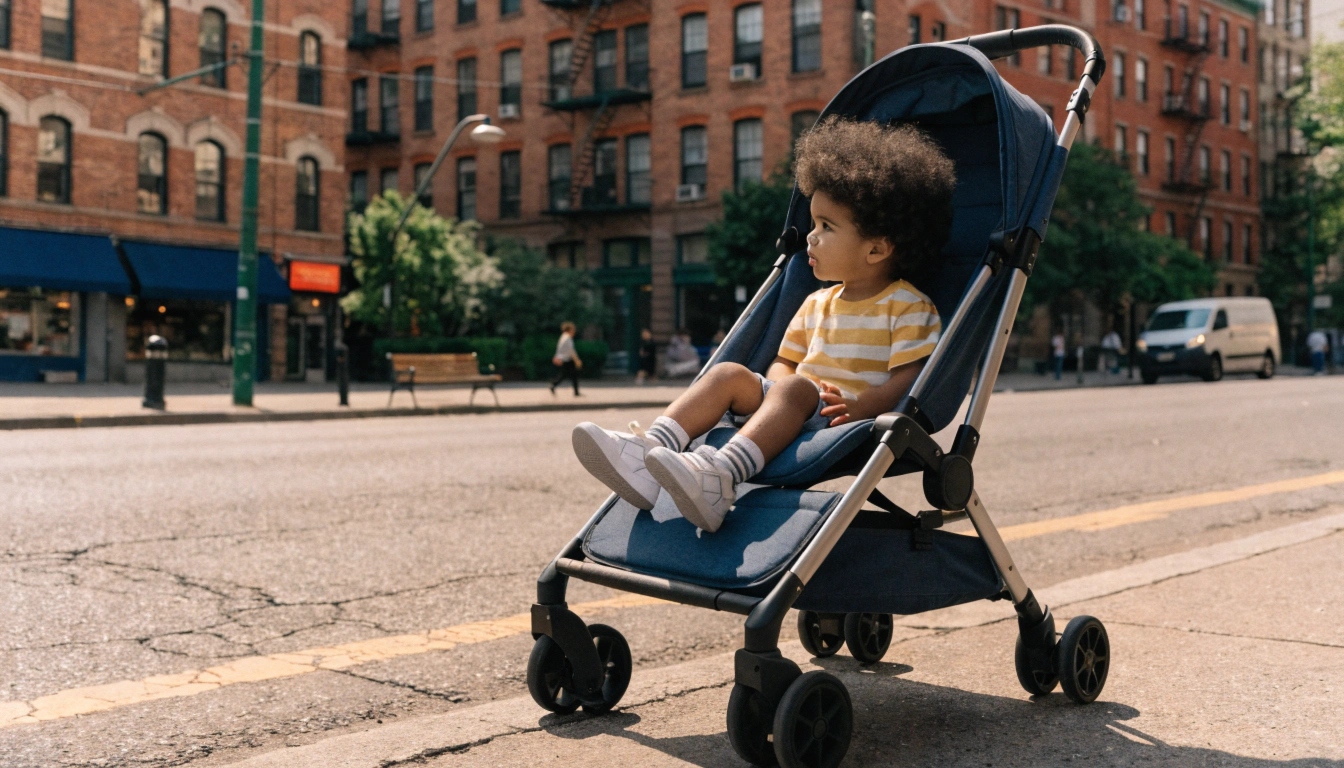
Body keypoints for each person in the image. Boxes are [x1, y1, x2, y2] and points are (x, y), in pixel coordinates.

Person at [569, 117, 954, 532]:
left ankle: (721, 476)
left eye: (826, 227)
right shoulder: (815, 302)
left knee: (792, 387)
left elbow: (909, 377)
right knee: (728, 373)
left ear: (876, 248)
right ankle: (648, 451)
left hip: (844, 417)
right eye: (811, 224)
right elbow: (784, 363)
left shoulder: (907, 306)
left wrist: (862, 406)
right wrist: (778, 386)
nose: (810, 237)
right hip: (791, 403)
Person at [550, 322, 582, 396]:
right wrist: (577, 360)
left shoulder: (563, 337)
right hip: (567, 359)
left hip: (565, 358)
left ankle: (554, 385)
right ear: (569, 329)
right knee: (571, 374)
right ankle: (575, 392)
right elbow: (571, 350)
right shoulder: (567, 338)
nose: (574, 331)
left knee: (566, 374)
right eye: (573, 329)